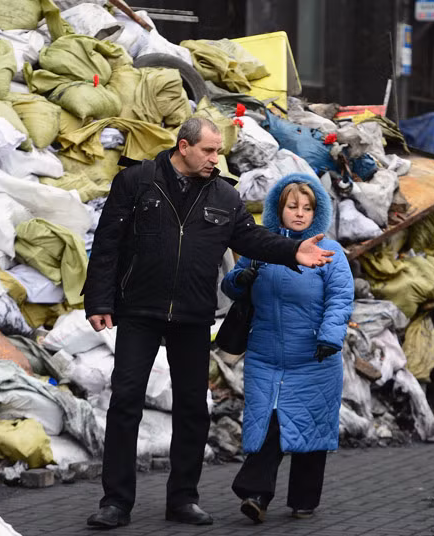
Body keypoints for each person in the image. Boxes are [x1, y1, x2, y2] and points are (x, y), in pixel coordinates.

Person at [82, 118, 335, 529]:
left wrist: (292, 251)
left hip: (193, 315)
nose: (216, 158)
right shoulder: (137, 182)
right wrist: (98, 299)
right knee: (125, 402)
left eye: (218, 151)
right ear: (183, 146)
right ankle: (116, 502)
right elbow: (107, 242)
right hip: (139, 310)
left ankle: (182, 499)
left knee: (193, 410)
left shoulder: (224, 194)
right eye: (209, 151)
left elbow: (250, 239)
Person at [221, 173, 354, 524]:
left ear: (317, 212)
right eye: (292, 207)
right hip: (265, 355)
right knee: (269, 423)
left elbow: (340, 298)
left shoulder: (331, 251)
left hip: (314, 357)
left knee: (309, 427)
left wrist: (329, 336)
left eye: (307, 208)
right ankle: (256, 495)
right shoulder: (262, 248)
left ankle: (304, 500)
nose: (299, 214)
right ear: (277, 209)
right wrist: (240, 279)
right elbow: (231, 286)